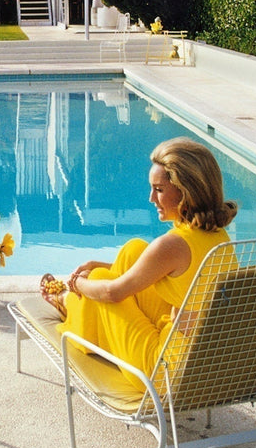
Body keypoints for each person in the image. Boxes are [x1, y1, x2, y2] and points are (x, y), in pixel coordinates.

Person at [40, 137, 238, 386]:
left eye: (159, 189)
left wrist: (78, 285)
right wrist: (102, 265)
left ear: (186, 192)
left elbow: (113, 292)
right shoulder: (216, 235)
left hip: (163, 370)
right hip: (203, 359)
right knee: (134, 250)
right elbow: (154, 270)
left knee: (101, 281)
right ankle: (82, 312)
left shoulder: (173, 245)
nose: (151, 198)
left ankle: (71, 304)